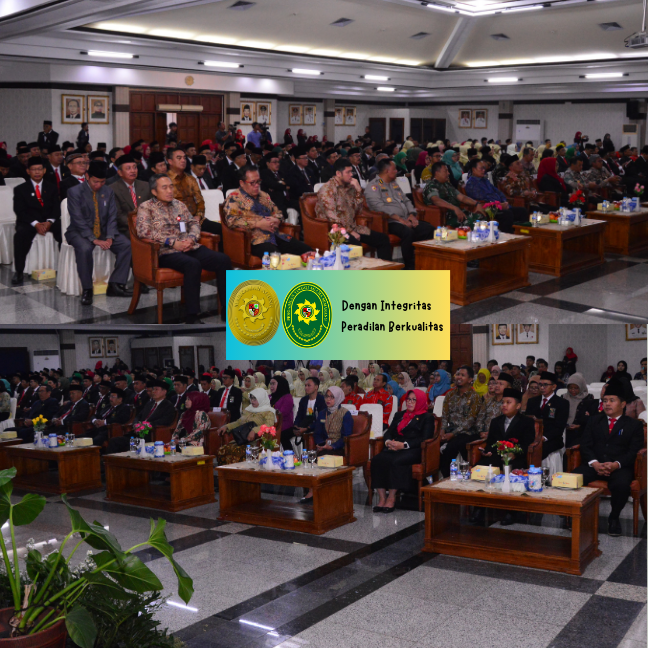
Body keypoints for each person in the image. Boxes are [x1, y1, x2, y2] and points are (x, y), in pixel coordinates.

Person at [136, 174, 231, 324]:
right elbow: (144, 232)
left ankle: (228, 310)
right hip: (166, 251)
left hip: (189, 245)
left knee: (223, 260)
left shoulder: (179, 205)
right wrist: (172, 242)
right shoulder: (146, 207)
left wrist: (191, 238)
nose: (170, 191)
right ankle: (192, 316)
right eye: (164, 187)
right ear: (154, 191)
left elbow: (193, 223)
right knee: (192, 264)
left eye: (171, 187)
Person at [573, 381, 644, 536]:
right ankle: (574, 516)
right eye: (605, 400)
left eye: (612, 400)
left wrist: (615, 465)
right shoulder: (594, 420)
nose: (607, 404)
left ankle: (614, 518)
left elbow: (633, 452)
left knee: (621, 485)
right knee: (572, 478)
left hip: (619, 467)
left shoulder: (634, 425)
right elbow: (585, 445)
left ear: (623, 404)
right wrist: (595, 463)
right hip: (594, 464)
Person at [66, 161, 133, 306]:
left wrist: (109, 236)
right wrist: (93, 239)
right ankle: (87, 289)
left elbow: (112, 216)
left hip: (103, 231)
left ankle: (116, 284)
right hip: (79, 232)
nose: (99, 185)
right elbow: (78, 219)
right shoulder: (74, 192)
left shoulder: (108, 191)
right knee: (85, 248)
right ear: (87, 176)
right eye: (95, 181)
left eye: (102, 182)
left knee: (126, 244)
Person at [223, 166, 311, 258]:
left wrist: (277, 220)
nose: (257, 185)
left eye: (258, 181)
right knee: (276, 258)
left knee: (307, 251)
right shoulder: (234, 198)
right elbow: (232, 221)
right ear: (242, 183)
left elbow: (278, 212)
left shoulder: (264, 195)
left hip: (276, 235)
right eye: (252, 183)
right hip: (254, 240)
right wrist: (257, 224)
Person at [316, 158, 391, 261]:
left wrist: (358, 191)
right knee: (355, 245)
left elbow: (358, 211)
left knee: (383, 239)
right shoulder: (327, 190)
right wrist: (350, 232)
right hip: (334, 231)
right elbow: (332, 219)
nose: (351, 175)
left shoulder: (350, 187)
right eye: (348, 172)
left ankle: (386, 269)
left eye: (351, 171)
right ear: (338, 173)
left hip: (351, 226)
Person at [370, 389, 433, 512]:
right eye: (408, 399)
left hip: (413, 450)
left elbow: (424, 439)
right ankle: (382, 498)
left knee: (395, 461)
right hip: (394, 447)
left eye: (414, 400)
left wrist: (403, 445)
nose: (409, 402)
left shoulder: (427, 417)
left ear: (420, 401)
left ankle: (391, 498)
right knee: (377, 460)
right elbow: (389, 432)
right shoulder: (399, 415)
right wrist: (388, 442)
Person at [365, 159, 434, 269]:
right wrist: (400, 220)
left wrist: (412, 214)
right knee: (408, 232)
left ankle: (424, 262)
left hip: (405, 218)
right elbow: (379, 207)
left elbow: (406, 200)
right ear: (387, 171)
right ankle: (410, 267)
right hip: (390, 221)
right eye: (394, 169)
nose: (397, 171)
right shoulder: (373, 186)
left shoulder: (394, 184)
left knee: (428, 229)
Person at [12, 156, 61, 286]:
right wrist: (36, 224)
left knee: (65, 231)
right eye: (34, 169)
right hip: (29, 222)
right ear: (28, 171)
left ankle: (64, 267)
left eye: (39, 169)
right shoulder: (20, 189)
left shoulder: (52, 188)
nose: (37, 172)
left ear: (44, 170)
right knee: (20, 235)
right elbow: (20, 211)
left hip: (48, 221)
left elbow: (56, 208)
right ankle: (19, 271)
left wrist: (49, 222)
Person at [107, 380, 177, 454]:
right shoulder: (150, 403)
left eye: (156, 389)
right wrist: (136, 424)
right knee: (114, 441)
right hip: (137, 433)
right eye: (153, 389)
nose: (153, 392)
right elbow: (138, 416)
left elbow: (165, 421)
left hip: (150, 434)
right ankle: (108, 461)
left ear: (164, 392)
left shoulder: (168, 406)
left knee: (129, 446)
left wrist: (146, 425)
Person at [439, 365, 482, 477]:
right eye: (458, 374)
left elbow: (470, 421)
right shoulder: (450, 395)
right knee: (433, 444)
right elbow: (445, 416)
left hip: (468, 432)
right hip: (450, 431)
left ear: (470, 379)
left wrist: (452, 434)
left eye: (463, 375)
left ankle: (452, 477)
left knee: (452, 447)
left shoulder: (475, 397)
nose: (459, 377)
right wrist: (442, 431)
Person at [423, 161, 487, 230]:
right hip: (447, 216)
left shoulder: (447, 184)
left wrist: (476, 203)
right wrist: (454, 208)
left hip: (458, 213)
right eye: (445, 171)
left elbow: (462, 197)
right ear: (437, 173)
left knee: (481, 217)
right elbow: (436, 200)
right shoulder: (431, 185)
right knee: (471, 223)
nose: (448, 173)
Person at [525, 371, 569, 459]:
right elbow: (527, 421)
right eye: (540, 385)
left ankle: (536, 468)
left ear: (554, 387)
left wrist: (544, 438)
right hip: (533, 436)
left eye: (545, 385)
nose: (542, 387)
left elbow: (559, 427)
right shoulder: (532, 401)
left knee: (539, 450)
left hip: (551, 438)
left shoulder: (562, 403)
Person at [110, 154, 152, 236]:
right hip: (126, 228)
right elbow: (118, 215)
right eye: (128, 168)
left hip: (147, 226)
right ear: (120, 172)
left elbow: (152, 207)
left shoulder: (146, 185)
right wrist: (137, 224)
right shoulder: (113, 189)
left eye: (135, 167)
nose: (133, 171)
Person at [564, 373, 593, 448]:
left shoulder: (588, 398)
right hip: (563, 430)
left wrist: (579, 426)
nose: (572, 390)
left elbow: (591, 419)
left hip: (581, 432)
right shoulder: (564, 397)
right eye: (570, 388)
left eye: (576, 388)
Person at [269, 376, 294, 451]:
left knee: (282, 435)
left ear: (280, 384)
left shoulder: (287, 397)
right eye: (270, 384)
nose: (271, 386)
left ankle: (289, 455)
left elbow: (283, 413)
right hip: (272, 424)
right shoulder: (270, 397)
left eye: (273, 384)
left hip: (284, 425)